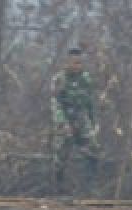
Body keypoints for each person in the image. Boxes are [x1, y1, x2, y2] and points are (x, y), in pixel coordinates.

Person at [51, 46, 100, 194]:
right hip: (65, 118)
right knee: (61, 154)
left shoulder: (86, 79)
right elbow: (55, 103)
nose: (77, 66)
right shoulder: (60, 79)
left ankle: (90, 187)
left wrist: (94, 122)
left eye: (79, 63)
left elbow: (90, 101)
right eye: (74, 63)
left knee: (93, 148)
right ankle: (59, 187)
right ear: (67, 63)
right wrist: (62, 123)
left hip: (82, 118)